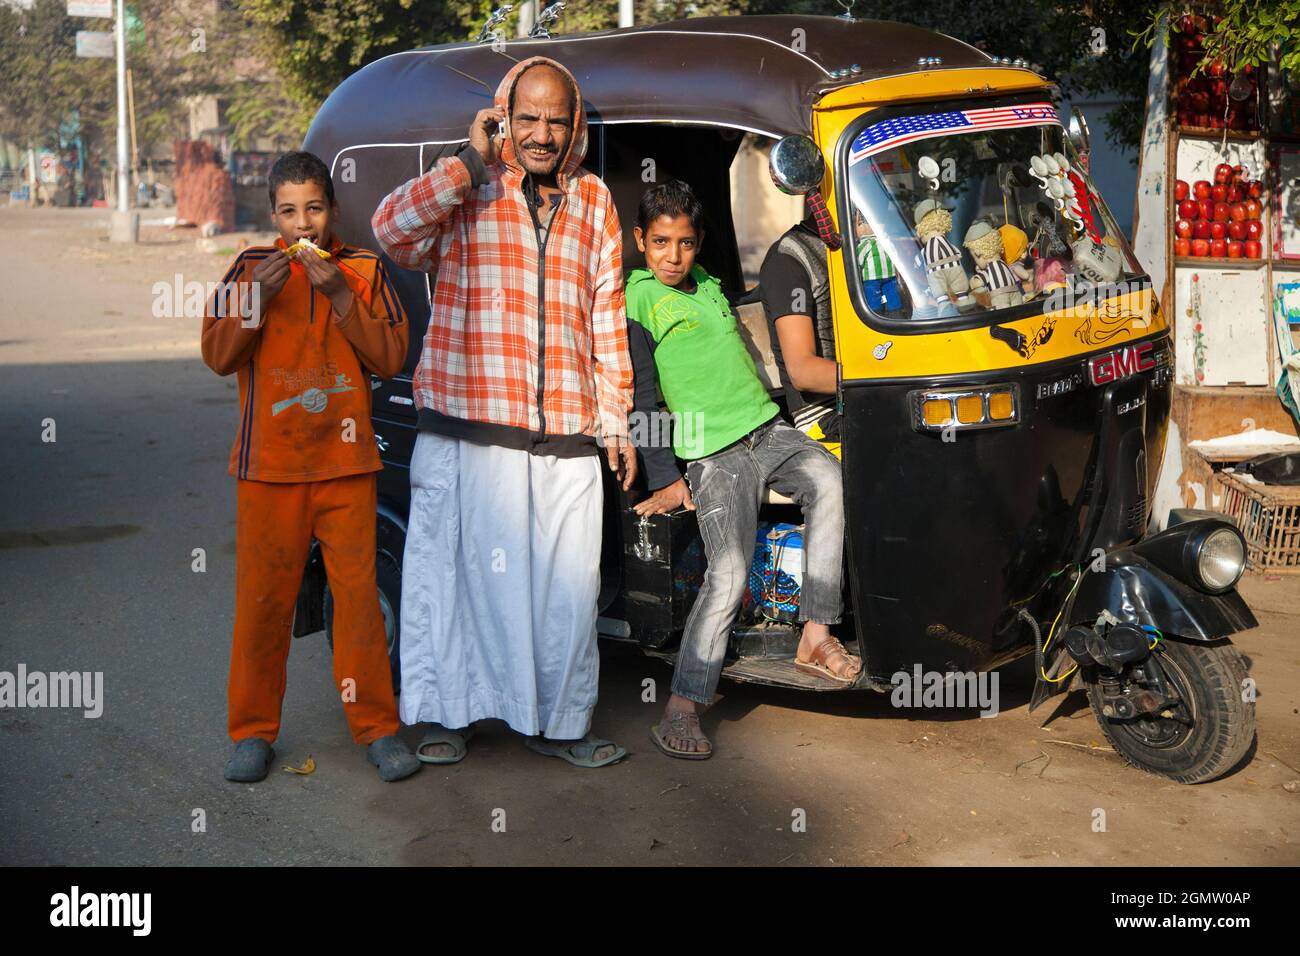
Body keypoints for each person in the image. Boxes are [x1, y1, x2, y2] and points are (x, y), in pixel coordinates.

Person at [371, 57, 636, 769]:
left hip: (565, 439)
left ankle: (557, 725)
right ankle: (441, 717)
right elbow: (392, 232)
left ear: (574, 124)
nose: (543, 133)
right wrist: (467, 160)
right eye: (528, 117)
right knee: (449, 583)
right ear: (501, 117)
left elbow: (604, 310)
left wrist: (615, 414)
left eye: (556, 118)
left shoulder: (596, 203)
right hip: (465, 433)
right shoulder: (467, 187)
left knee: (566, 593)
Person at [201, 151, 419, 784]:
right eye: (290, 211)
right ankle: (251, 733)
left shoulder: (363, 270)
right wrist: (254, 301)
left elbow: (389, 356)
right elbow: (216, 355)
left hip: (346, 466)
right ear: (274, 215)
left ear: (333, 210)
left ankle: (377, 729)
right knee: (263, 604)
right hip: (268, 469)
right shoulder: (249, 269)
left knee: (356, 604)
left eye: (314, 209)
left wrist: (338, 294)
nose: (304, 226)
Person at [626, 180, 859, 760]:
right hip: (712, 456)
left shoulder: (707, 284)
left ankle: (814, 635)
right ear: (640, 241)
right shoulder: (638, 300)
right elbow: (642, 398)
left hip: (768, 430)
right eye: (660, 243)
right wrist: (665, 476)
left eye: (684, 243)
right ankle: (682, 704)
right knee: (727, 575)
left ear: (699, 242)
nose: (672, 256)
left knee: (831, 482)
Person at [759, 208, 844, 458]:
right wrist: (889, 377)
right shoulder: (788, 259)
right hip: (824, 415)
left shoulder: (872, 243)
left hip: (876, 396)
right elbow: (804, 372)